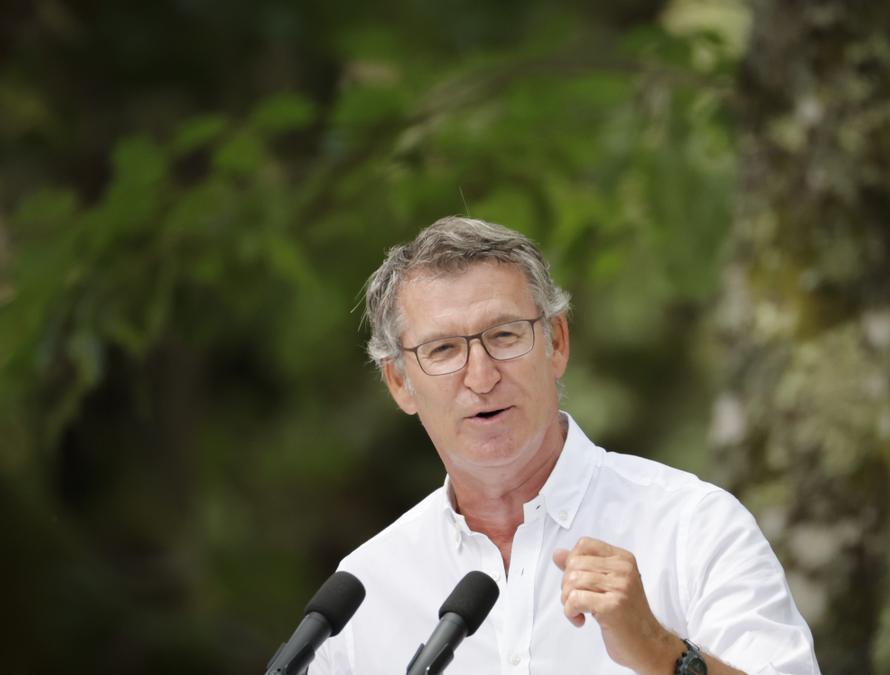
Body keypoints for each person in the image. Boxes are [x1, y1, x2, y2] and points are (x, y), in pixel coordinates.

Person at [309, 217, 818, 674]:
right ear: (399, 381)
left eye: (505, 336)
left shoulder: (694, 528)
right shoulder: (364, 590)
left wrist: (660, 651)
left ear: (557, 343)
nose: (481, 377)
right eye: (443, 349)